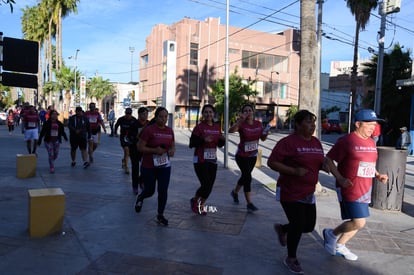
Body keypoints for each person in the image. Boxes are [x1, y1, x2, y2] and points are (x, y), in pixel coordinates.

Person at [323, 109, 388, 261]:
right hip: (350, 187)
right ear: (358, 124)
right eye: (369, 124)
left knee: (357, 222)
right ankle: (332, 236)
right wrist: (340, 178)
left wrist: (378, 175)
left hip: (366, 188)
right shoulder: (346, 141)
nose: (373, 127)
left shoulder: (371, 142)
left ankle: (338, 243)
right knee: (359, 221)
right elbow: (329, 160)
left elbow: (369, 163)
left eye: (375, 124)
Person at [267, 110, 326, 274]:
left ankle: (284, 229)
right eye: (308, 122)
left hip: (308, 192)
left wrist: (325, 167)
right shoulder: (288, 142)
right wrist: (293, 171)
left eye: (313, 122)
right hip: (289, 191)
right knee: (299, 224)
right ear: (298, 125)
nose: (312, 125)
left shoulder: (315, 142)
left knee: (308, 226)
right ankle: (291, 258)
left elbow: (318, 161)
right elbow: (272, 162)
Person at [134, 107, 175, 226]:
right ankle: (141, 197)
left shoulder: (169, 131)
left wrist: (172, 150)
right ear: (156, 117)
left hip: (165, 166)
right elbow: (140, 147)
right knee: (150, 191)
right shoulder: (149, 130)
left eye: (166, 117)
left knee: (163, 190)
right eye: (161, 116)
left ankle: (160, 215)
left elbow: (172, 145)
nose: (164, 119)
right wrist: (154, 150)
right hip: (149, 166)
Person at [229, 103, 269, 212]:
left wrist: (266, 133)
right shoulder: (241, 124)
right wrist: (239, 121)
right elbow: (230, 130)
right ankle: (249, 203)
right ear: (243, 113)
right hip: (241, 156)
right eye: (245, 111)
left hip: (253, 156)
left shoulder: (258, 124)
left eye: (250, 110)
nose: (248, 112)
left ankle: (234, 192)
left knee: (245, 176)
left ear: (253, 112)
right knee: (248, 177)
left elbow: (263, 138)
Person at [189, 104, 225, 215]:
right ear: (203, 114)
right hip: (200, 160)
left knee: (210, 186)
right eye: (206, 112)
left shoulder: (217, 127)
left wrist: (222, 140)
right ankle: (196, 202)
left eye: (210, 112)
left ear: (213, 114)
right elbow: (192, 144)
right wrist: (203, 140)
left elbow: (219, 145)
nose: (208, 114)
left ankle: (198, 202)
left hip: (212, 160)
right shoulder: (199, 127)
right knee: (206, 184)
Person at [129, 106, 149, 194]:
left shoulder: (149, 124)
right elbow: (132, 136)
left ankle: (142, 180)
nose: (145, 116)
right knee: (135, 168)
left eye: (146, 114)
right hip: (134, 149)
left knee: (146, 168)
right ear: (139, 114)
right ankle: (135, 186)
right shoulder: (134, 124)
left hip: (145, 149)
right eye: (143, 114)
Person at [114, 107, 137, 174]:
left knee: (128, 153)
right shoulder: (121, 119)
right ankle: (126, 167)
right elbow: (116, 125)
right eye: (127, 114)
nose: (128, 115)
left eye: (129, 114)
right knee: (126, 150)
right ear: (125, 113)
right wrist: (115, 133)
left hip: (131, 138)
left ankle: (124, 160)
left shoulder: (134, 120)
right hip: (123, 137)